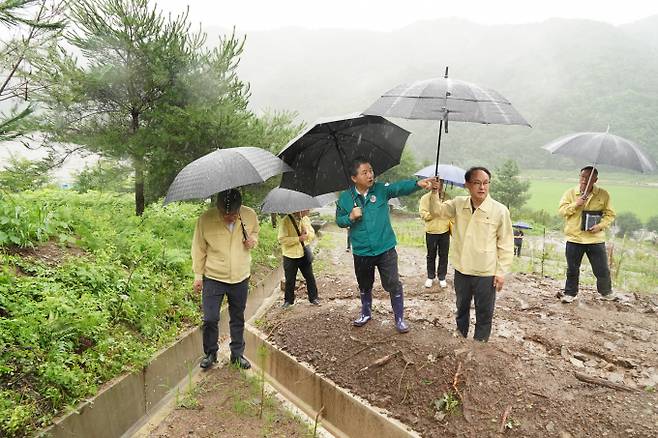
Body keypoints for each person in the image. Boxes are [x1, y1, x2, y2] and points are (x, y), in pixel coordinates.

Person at [335, 156, 436, 333]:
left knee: (393, 283)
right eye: (364, 172)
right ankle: (366, 313)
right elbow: (339, 221)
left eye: (371, 171)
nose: (370, 175)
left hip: (385, 249)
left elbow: (398, 188)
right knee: (365, 284)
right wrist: (350, 217)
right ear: (354, 178)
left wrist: (418, 184)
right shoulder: (345, 198)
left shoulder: (380, 190)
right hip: (362, 251)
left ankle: (399, 319)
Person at [433, 167, 513, 342]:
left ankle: (480, 343)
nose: (482, 187)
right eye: (477, 183)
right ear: (467, 185)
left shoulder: (499, 211)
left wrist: (501, 272)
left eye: (485, 183)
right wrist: (434, 192)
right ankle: (460, 335)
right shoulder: (458, 204)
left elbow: (506, 243)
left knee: (484, 311)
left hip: (485, 271)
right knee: (461, 306)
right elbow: (436, 211)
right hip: (462, 268)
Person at [192, 189, 259, 369]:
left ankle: (237, 355)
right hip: (214, 276)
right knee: (210, 318)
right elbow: (199, 248)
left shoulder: (250, 215)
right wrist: (198, 275)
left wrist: (252, 240)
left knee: (237, 317)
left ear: (240, 209)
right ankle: (210, 353)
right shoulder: (205, 219)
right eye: (225, 214)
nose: (229, 217)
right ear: (218, 208)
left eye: (234, 214)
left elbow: (255, 234)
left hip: (240, 276)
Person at [558, 166, 617, 303]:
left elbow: (610, 215)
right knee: (572, 269)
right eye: (582, 176)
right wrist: (576, 204)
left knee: (601, 269)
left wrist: (600, 226)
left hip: (595, 239)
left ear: (595, 179)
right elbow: (561, 211)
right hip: (574, 237)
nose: (584, 180)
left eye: (588, 177)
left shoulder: (603, 194)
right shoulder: (571, 193)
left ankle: (606, 292)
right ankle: (570, 293)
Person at [278, 210, 320, 308]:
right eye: (307, 209)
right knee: (290, 279)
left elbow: (312, 234)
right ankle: (288, 300)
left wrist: (306, 233)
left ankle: (313, 298)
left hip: (303, 252)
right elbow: (281, 239)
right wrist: (298, 239)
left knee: (310, 276)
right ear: (300, 209)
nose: (308, 211)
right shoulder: (286, 221)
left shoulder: (305, 219)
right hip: (290, 255)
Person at [419, 186, 452, 289]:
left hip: (444, 230)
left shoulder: (447, 197)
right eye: (436, 183)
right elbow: (423, 214)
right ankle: (430, 276)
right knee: (431, 255)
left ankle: (442, 277)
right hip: (431, 231)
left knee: (444, 255)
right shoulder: (425, 198)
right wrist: (434, 212)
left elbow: (451, 213)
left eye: (440, 183)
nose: (438, 186)